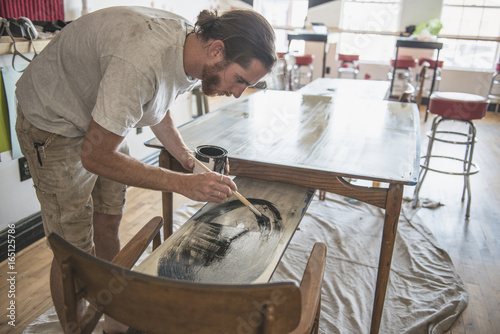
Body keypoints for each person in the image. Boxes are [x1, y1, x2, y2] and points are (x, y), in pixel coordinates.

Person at [15, 6, 276, 333]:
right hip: (54, 121)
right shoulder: (141, 61)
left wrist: (185, 159)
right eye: (239, 79)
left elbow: (157, 101)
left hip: (100, 120)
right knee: (74, 253)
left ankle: (114, 319)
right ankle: (74, 330)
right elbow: (95, 157)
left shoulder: (192, 48)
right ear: (217, 50)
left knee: (108, 219)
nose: (237, 92)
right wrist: (182, 184)